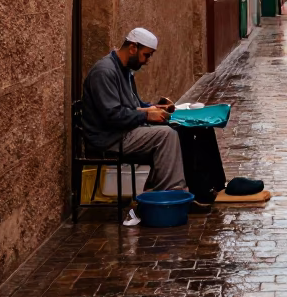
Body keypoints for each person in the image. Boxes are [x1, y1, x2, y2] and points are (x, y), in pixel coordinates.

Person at [82, 27, 265, 224]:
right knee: (166, 135)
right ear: (133, 48)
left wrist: (156, 108)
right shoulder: (105, 72)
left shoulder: (125, 71)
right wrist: (147, 115)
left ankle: (203, 187)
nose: (146, 61)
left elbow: (134, 105)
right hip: (110, 137)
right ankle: (174, 193)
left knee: (184, 127)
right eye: (146, 55)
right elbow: (112, 116)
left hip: (123, 129)